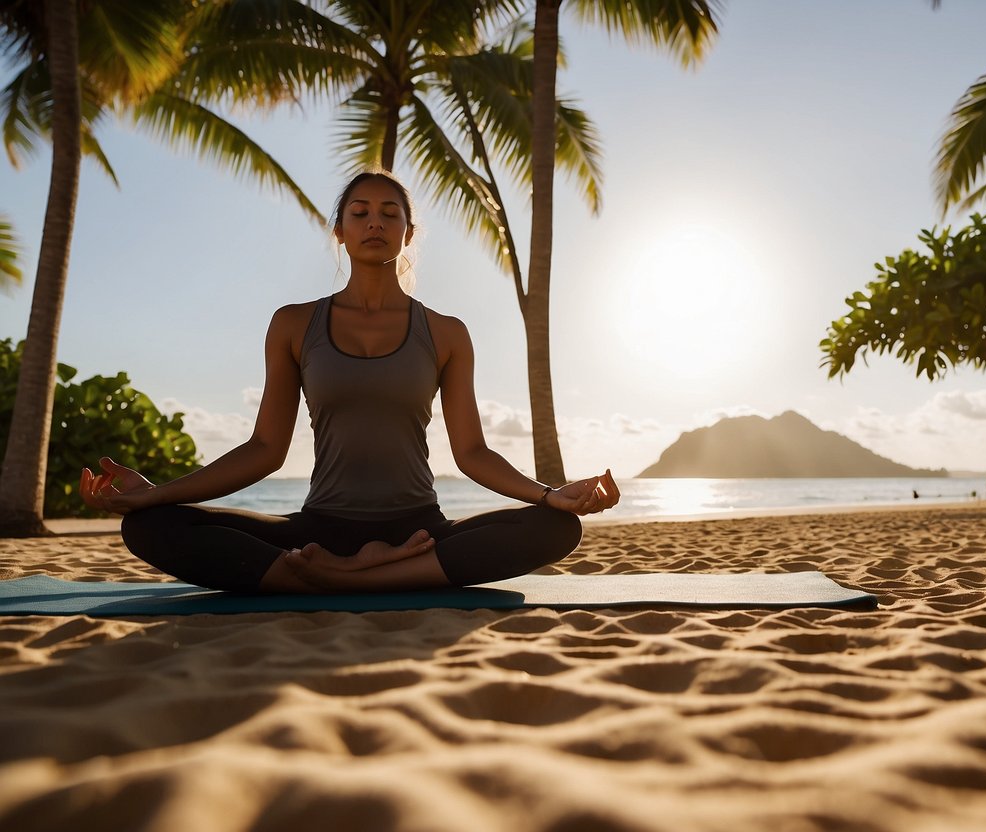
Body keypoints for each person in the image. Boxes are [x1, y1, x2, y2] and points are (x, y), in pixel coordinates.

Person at [80, 170, 620, 594]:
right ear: (339, 231)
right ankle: (379, 572)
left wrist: (550, 495)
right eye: (359, 213)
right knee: (148, 527)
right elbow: (266, 449)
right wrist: (157, 495)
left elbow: (473, 452)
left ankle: (331, 576)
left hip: (418, 529)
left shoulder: (447, 333)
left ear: (408, 233)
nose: (375, 223)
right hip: (320, 527)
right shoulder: (294, 324)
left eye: (390, 214)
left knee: (557, 529)